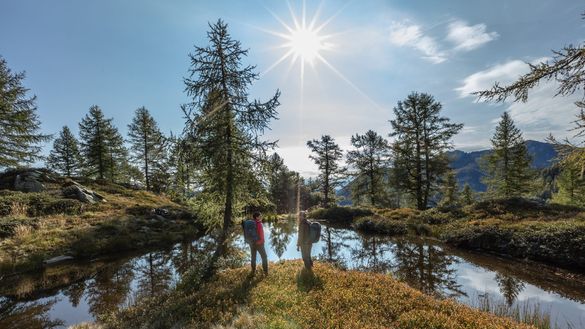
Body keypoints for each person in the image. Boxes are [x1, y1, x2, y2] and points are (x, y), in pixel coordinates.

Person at [249, 211, 268, 276]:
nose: (261, 217)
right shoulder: (259, 224)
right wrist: (262, 242)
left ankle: (253, 271)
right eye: (260, 216)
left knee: (253, 257)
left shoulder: (250, 224)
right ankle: (265, 271)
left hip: (252, 244)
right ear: (257, 217)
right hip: (259, 244)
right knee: (264, 257)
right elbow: (261, 235)